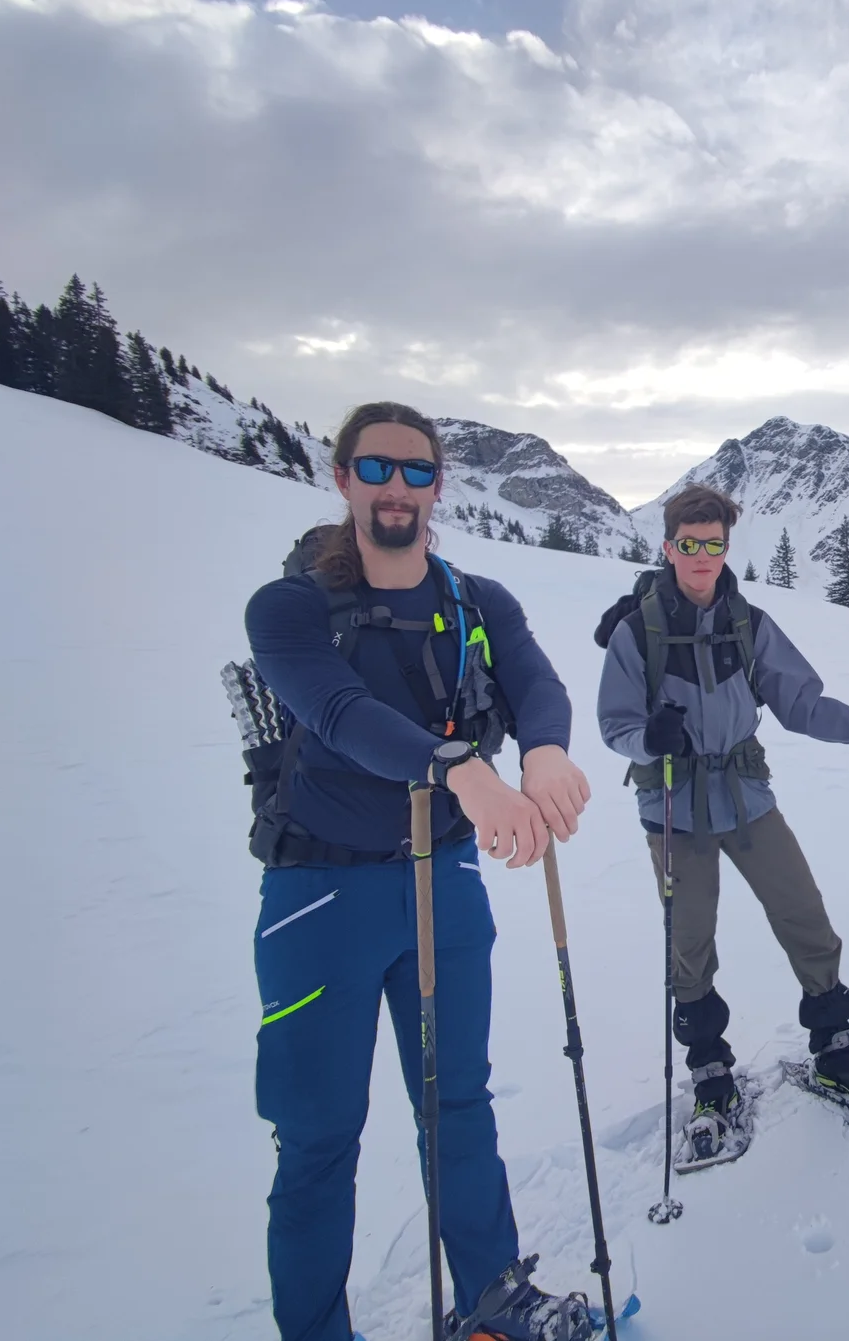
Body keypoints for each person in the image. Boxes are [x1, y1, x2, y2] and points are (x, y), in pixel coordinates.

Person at [244, 402, 597, 1341]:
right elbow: (337, 709)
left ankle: (492, 1304)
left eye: (414, 471)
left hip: (443, 882)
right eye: (376, 468)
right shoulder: (287, 608)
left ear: (440, 484)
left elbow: (533, 682)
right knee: (318, 1139)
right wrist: (460, 767)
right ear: (342, 477)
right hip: (319, 895)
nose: (395, 487)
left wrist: (548, 750)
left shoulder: (477, 600)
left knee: (458, 1103)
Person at [595, 484, 849, 1151]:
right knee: (690, 942)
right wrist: (650, 737)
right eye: (689, 543)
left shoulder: (749, 624)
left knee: (804, 914)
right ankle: (711, 1069)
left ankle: (835, 1047)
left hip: (747, 796)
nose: (701, 555)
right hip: (673, 807)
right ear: (669, 546)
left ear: (725, 548)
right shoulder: (637, 631)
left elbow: (803, 704)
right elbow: (614, 722)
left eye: (713, 544)